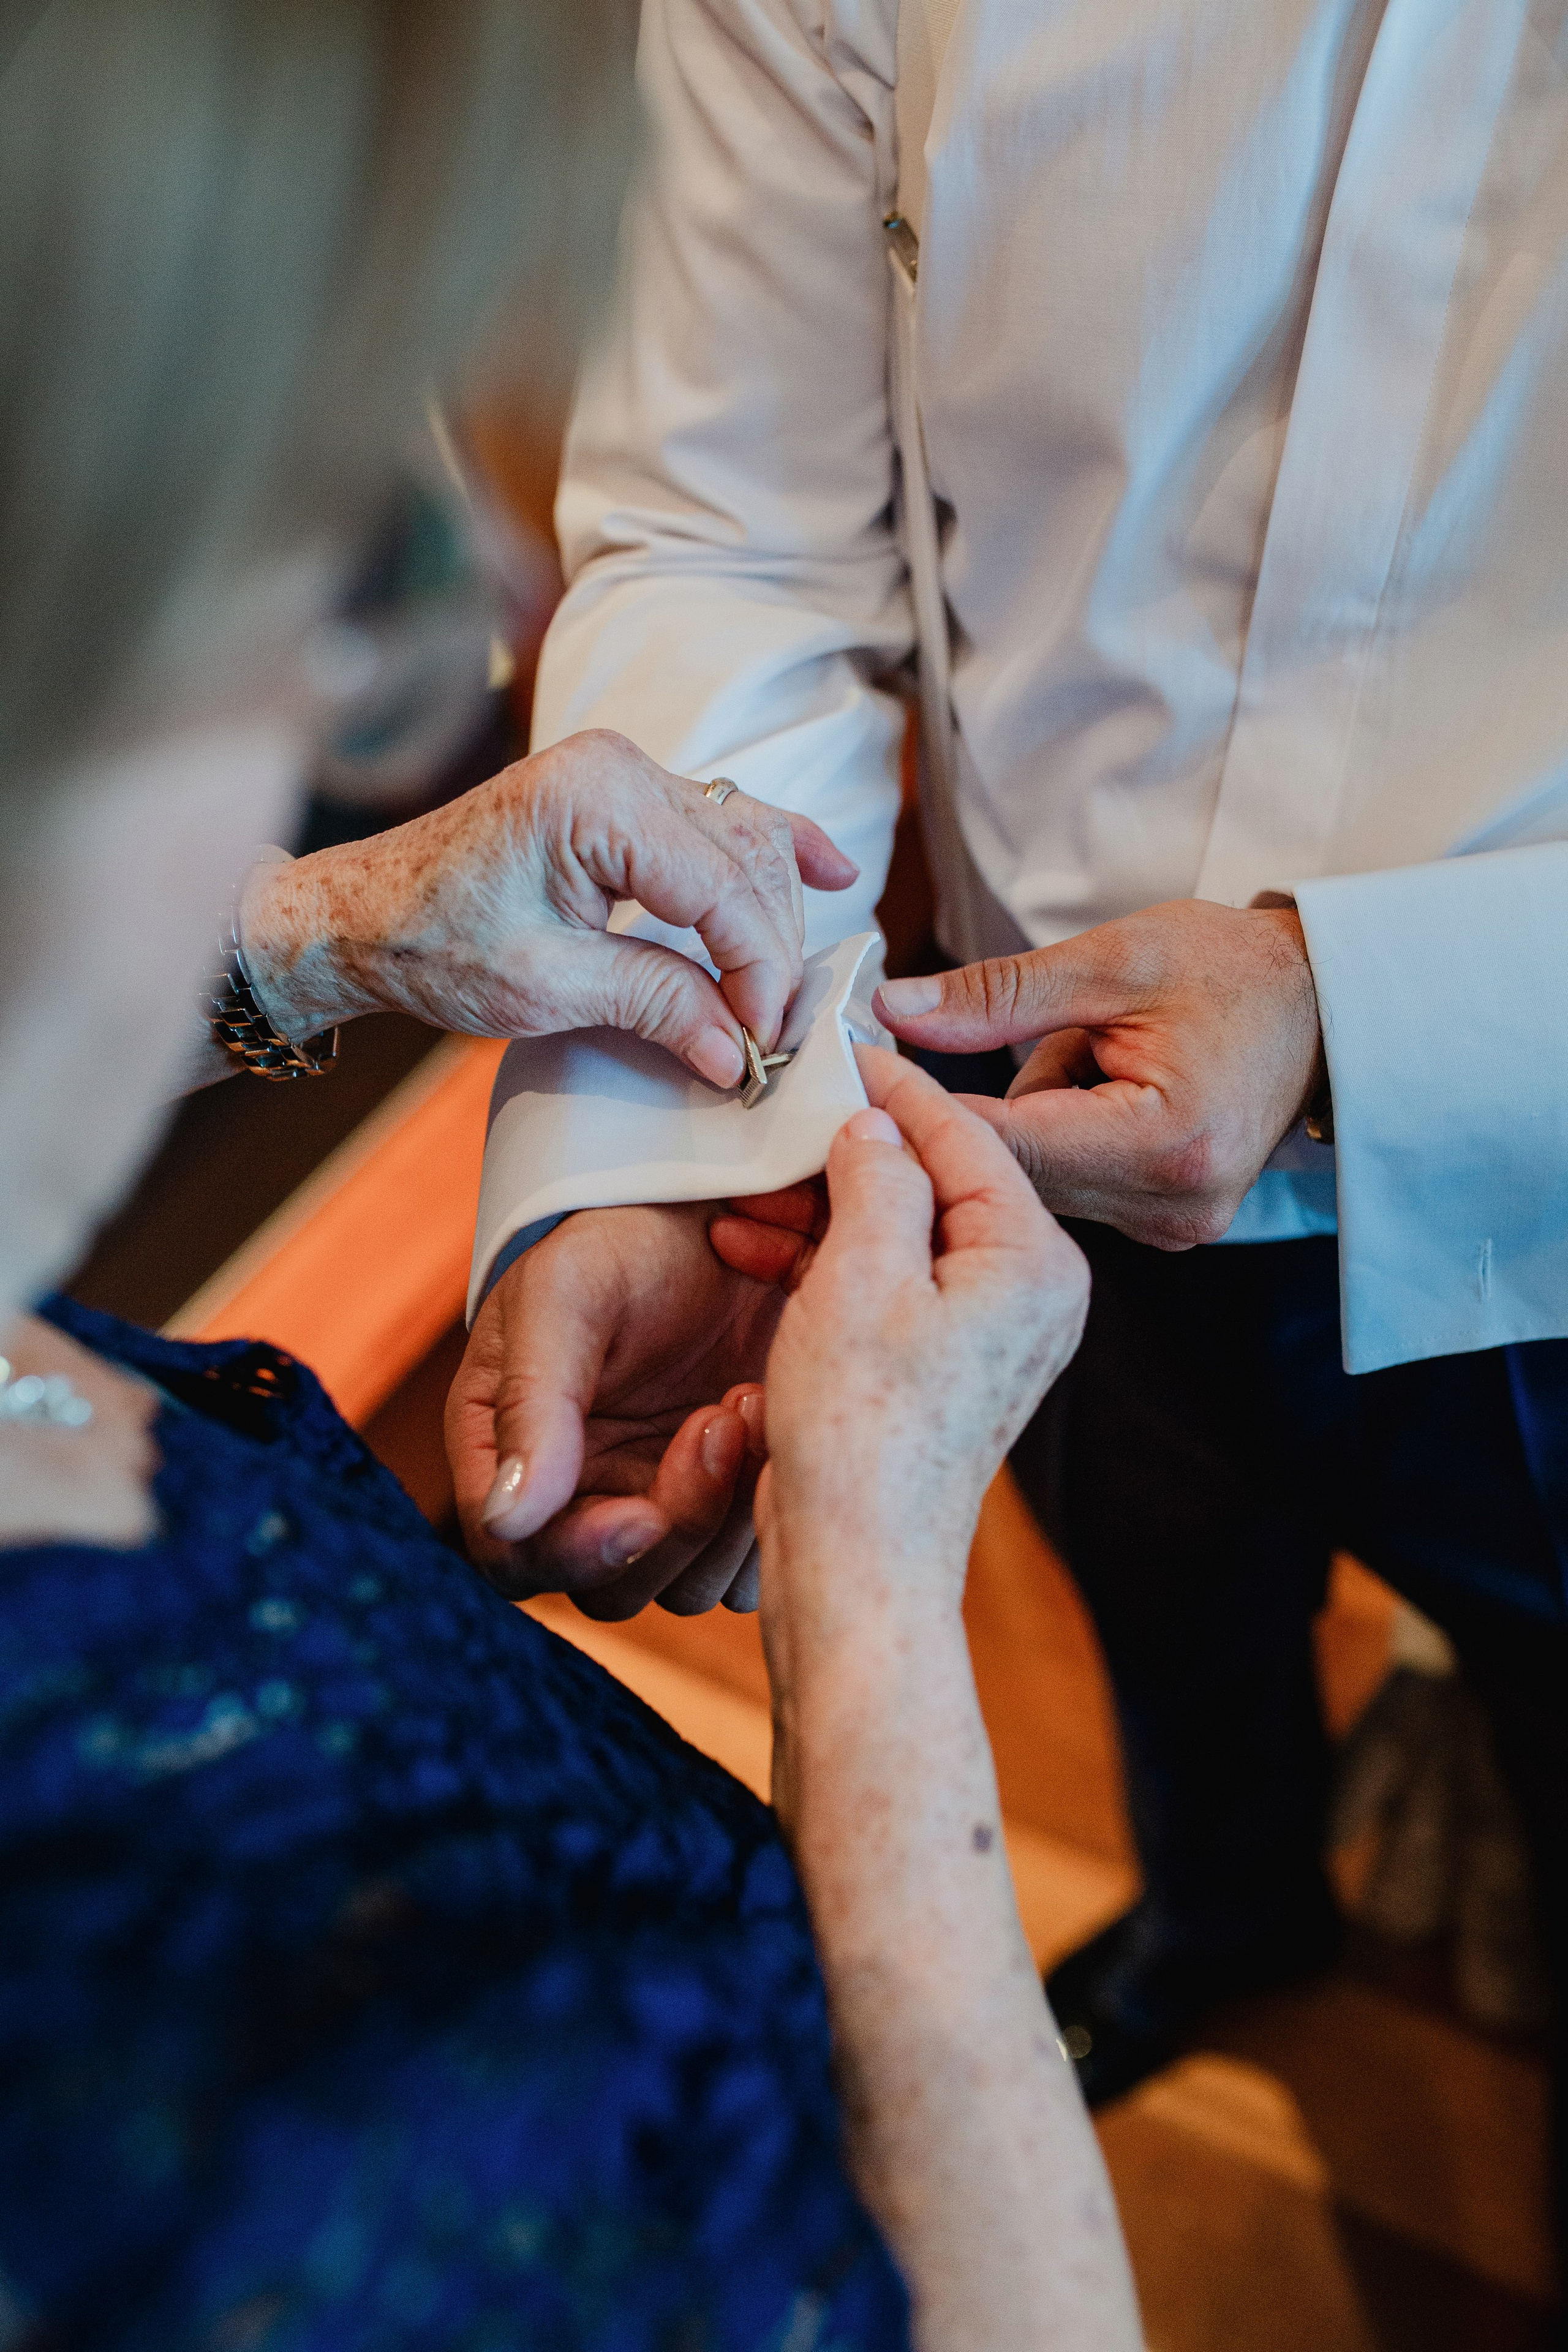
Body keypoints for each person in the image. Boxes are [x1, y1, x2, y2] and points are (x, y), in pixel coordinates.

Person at [0, 4, 1142, 2346]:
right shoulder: (267, 2122)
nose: (440, 653)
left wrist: (323, 938)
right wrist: (872, 1628)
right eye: (343, 540)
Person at [448, 0, 1568, 2244]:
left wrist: (1375, 1009)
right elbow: (735, 525)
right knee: (1164, 1607)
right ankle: (1227, 1911)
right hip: (989, 1157)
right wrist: (692, 1130)